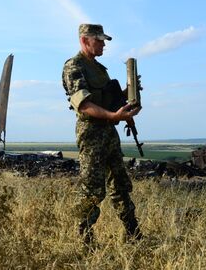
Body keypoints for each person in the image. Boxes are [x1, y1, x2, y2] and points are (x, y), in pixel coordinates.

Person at [62, 23, 143, 245]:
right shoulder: (74, 66)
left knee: (121, 184)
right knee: (92, 188)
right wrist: (113, 117)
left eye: (103, 40)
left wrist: (130, 93)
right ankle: (85, 239)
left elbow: (107, 98)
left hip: (108, 131)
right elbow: (84, 105)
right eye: (98, 40)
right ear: (84, 40)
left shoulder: (99, 69)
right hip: (91, 133)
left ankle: (133, 234)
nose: (103, 44)